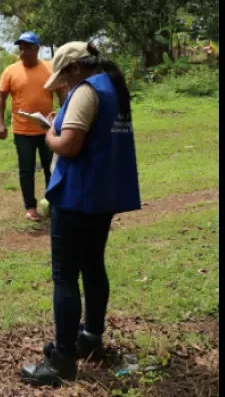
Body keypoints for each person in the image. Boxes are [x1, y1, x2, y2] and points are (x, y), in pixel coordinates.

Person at [20, 42, 142, 387]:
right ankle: (90, 338)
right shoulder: (112, 86)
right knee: (92, 265)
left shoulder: (86, 91)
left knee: (65, 275)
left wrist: (49, 134)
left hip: (77, 196)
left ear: (74, 69)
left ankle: (62, 361)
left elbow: (70, 144)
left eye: (63, 79)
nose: (62, 86)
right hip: (102, 194)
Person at [0, 31, 66, 222]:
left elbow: (62, 94)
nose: (22, 52)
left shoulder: (50, 69)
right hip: (22, 131)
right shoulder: (11, 71)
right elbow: (1, 98)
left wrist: (64, 118)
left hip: (47, 130)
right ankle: (31, 207)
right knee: (26, 170)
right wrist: (0, 123)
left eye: (27, 48)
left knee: (51, 168)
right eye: (20, 48)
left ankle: (52, 204)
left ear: (37, 49)